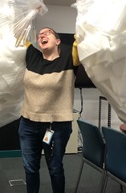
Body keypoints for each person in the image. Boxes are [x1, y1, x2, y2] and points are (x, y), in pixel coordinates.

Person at [18, 27, 80, 193]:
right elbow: (17, 33)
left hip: (56, 125)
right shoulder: (32, 56)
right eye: (40, 35)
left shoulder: (69, 57)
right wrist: (30, 10)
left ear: (58, 41)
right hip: (28, 123)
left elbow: (84, 39)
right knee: (30, 167)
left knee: (54, 167)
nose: (42, 35)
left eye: (47, 33)